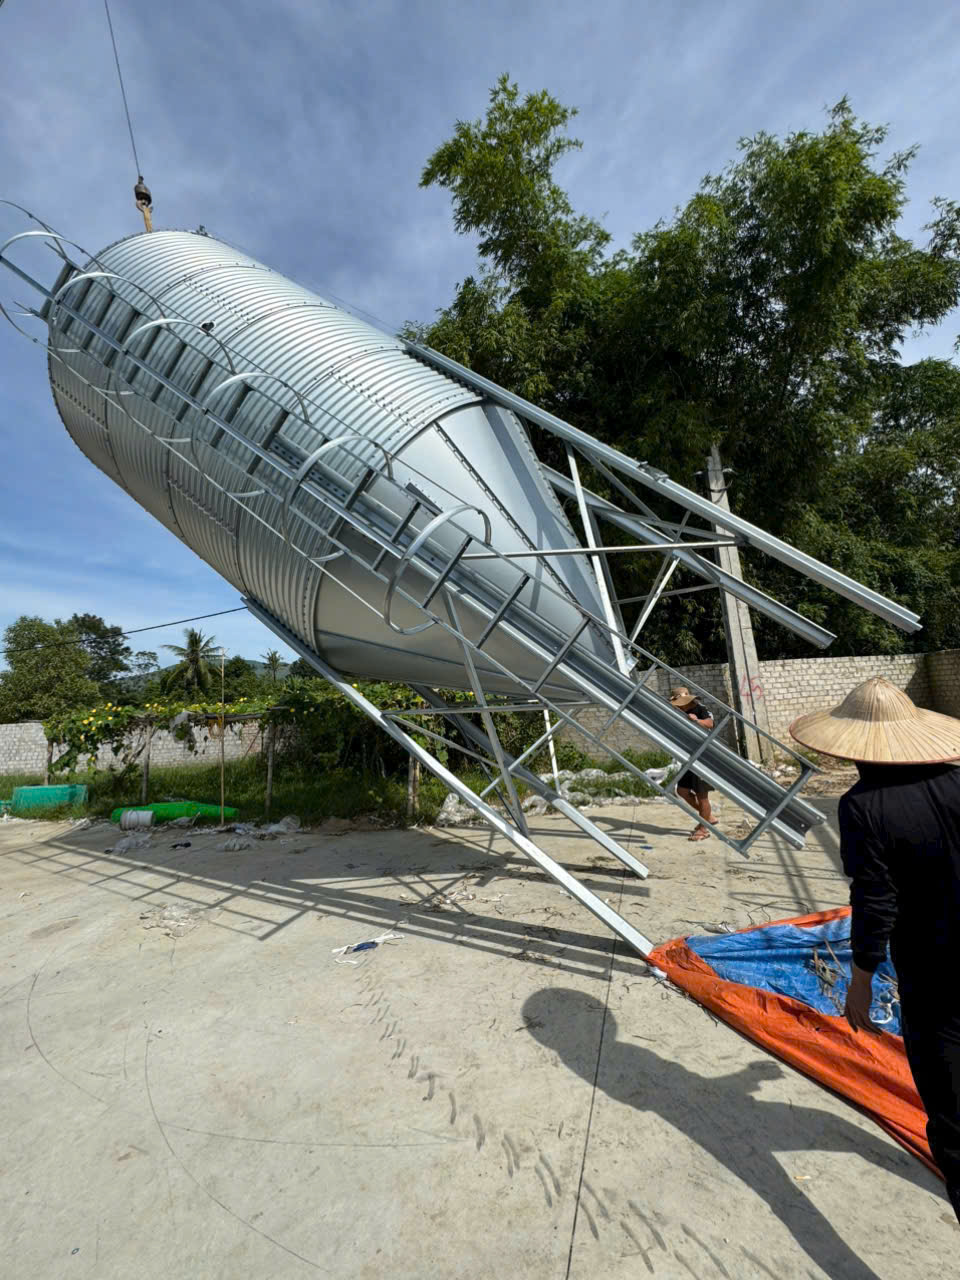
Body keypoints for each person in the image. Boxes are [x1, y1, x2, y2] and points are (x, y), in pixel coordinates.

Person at [790, 676, 960, 1223]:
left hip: (935, 975)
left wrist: (860, 980)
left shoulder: (863, 806)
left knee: (952, 1119)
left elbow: (876, 901)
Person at [669, 685, 715, 842]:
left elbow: (710, 724)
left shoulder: (699, 709)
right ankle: (708, 817)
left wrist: (697, 721)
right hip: (689, 756)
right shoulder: (680, 712)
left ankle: (704, 829)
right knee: (682, 790)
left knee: (702, 795)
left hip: (702, 756)